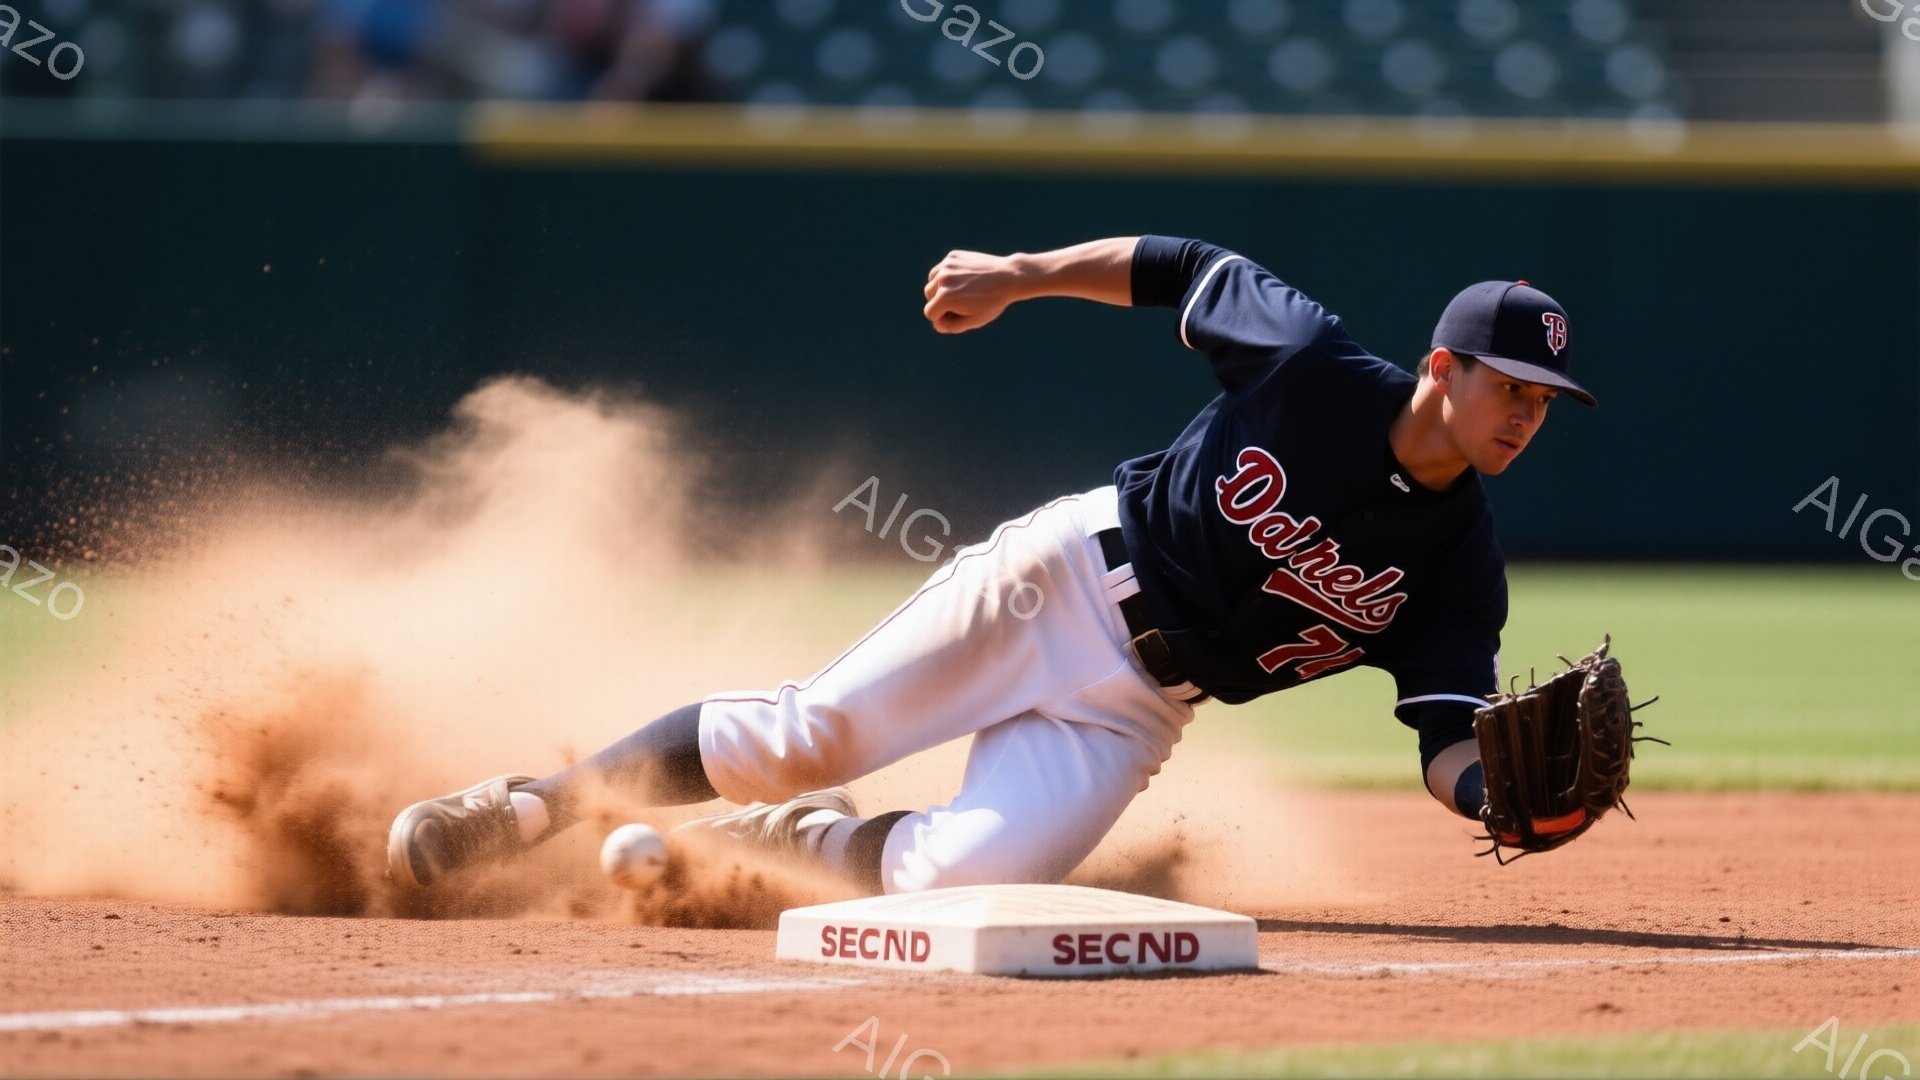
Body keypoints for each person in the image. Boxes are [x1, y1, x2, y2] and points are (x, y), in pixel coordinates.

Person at [386, 235, 1596, 895]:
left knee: (960, 883)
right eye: (1511, 386)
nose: (1526, 416)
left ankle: (793, 843)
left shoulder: (1457, 562)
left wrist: (1506, 800)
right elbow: (1184, 268)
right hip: (1062, 580)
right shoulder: (1314, 366)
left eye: (1546, 403)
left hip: (1138, 712)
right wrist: (1019, 277)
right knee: (806, 734)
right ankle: (526, 806)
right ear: (1444, 367)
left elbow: (1444, 733)